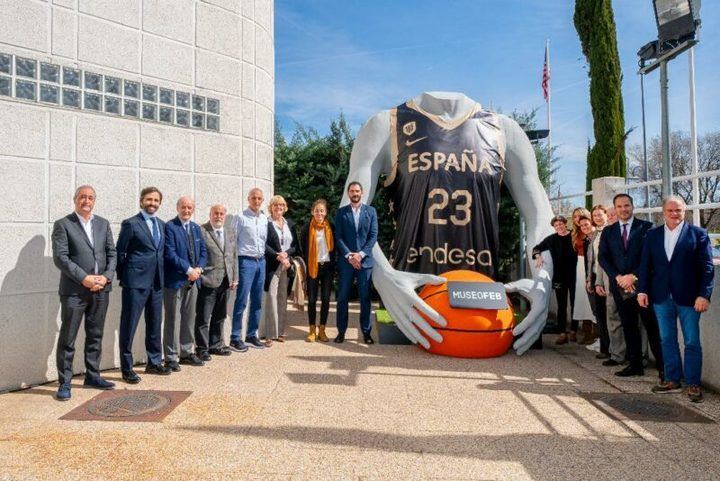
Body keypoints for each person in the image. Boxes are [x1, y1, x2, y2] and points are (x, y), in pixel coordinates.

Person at [336, 92, 554, 354]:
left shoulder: (503, 129)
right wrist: (382, 275)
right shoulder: (387, 124)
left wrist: (543, 279)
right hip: (413, 290)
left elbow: (541, 216)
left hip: (480, 294)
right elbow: (349, 213)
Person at [638, 196, 714, 402]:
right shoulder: (652, 235)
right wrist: (642, 291)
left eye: (678, 210)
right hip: (661, 297)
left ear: (684, 211)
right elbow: (644, 265)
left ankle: (693, 384)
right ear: (663, 212)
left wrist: (704, 295)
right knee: (666, 339)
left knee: (692, 341)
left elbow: (707, 269)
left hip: (690, 298)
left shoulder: (698, 234)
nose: (674, 214)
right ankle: (672, 379)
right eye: (670, 210)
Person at [51, 185, 117, 400]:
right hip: (74, 291)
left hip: (101, 289)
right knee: (68, 338)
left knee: (95, 335)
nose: (86, 201)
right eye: (82, 197)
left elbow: (111, 253)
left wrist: (105, 277)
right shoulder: (63, 225)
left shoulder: (103, 224)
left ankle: (92, 375)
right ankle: (65, 383)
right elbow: (61, 258)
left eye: (90, 197)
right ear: (75, 200)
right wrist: (84, 278)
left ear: (94, 201)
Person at [599, 193, 663, 379]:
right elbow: (603, 258)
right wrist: (618, 277)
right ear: (615, 209)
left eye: (626, 205)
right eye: (619, 206)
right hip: (619, 287)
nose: (623, 209)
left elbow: (651, 257)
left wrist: (633, 276)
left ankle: (663, 369)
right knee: (629, 326)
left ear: (633, 206)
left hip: (642, 287)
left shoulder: (647, 228)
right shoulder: (608, 231)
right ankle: (635, 366)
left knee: (652, 327)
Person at [117, 186, 170, 383]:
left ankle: (154, 362)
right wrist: (126, 277)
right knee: (129, 325)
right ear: (141, 201)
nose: (152, 204)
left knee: (155, 324)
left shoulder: (162, 225)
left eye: (156, 201)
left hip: (156, 282)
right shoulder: (131, 224)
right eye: (149, 200)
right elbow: (120, 253)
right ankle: (127, 367)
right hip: (135, 283)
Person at [163, 196, 208, 369]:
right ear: (177, 208)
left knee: (189, 318)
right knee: (172, 319)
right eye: (183, 207)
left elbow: (203, 252)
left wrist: (199, 269)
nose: (186, 210)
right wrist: (189, 270)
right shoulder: (170, 227)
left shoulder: (196, 229)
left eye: (189, 207)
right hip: (175, 280)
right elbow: (170, 253)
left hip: (193, 280)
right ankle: (171, 356)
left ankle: (187, 352)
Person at [334, 181, 378, 344]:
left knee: (365, 298)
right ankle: (341, 332)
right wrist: (349, 256)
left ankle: (366, 333)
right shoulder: (341, 213)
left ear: (362, 192)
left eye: (357, 191)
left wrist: (359, 255)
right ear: (348, 193)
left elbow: (373, 236)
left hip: (365, 263)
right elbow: (338, 237)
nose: (355, 193)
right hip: (346, 263)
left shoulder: (371, 212)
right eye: (352, 191)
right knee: (342, 298)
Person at [195, 204, 239, 358]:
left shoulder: (230, 231)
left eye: (221, 214)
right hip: (208, 280)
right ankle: (201, 348)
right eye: (215, 213)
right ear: (210, 214)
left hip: (226, 281)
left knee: (220, 316)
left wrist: (234, 277)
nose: (218, 216)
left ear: (224, 216)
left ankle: (215, 345)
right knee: (203, 317)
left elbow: (234, 256)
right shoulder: (202, 231)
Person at [230, 187, 269, 350]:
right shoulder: (240, 217)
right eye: (254, 198)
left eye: (259, 198)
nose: (257, 201)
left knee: (257, 300)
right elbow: (232, 243)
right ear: (248, 199)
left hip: (261, 261)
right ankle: (235, 336)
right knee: (242, 300)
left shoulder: (264, 219)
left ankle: (252, 334)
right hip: (245, 262)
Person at [532, 216, 577, 345]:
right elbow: (536, 248)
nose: (559, 227)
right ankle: (562, 333)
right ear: (554, 227)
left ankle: (573, 330)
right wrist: (538, 257)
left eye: (561, 224)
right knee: (561, 305)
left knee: (575, 303)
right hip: (559, 276)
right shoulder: (552, 239)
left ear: (565, 224)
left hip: (575, 276)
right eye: (556, 225)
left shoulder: (574, 236)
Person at [263, 195, 299, 345]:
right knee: (271, 296)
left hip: (286, 264)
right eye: (276, 205)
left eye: (281, 205)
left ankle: (281, 332)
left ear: (285, 207)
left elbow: (295, 245)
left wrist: (287, 255)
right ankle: (270, 334)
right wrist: (277, 255)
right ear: (271, 207)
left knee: (283, 298)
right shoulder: (266, 223)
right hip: (273, 264)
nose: (279, 208)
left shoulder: (289, 223)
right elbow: (263, 244)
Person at [594, 206, 627, 367]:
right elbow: (601, 261)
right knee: (613, 318)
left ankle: (639, 356)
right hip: (609, 283)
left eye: (615, 214)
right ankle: (617, 354)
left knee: (636, 322)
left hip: (630, 283)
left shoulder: (630, 231)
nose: (613, 216)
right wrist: (598, 281)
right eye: (611, 214)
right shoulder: (606, 234)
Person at [299, 199, 335, 342]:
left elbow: (335, 248)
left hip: (327, 267)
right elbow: (302, 248)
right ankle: (312, 330)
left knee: (326, 299)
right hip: (313, 267)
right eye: (316, 210)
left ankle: (322, 330)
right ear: (312, 212)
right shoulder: (306, 228)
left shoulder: (331, 227)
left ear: (326, 212)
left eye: (322, 210)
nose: (319, 213)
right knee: (312, 299)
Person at [585, 205, 611, 359]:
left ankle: (614, 350)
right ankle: (604, 348)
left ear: (606, 215)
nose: (597, 218)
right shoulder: (594, 235)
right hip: (595, 277)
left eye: (600, 215)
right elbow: (591, 259)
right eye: (595, 216)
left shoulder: (611, 232)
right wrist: (589, 279)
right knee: (600, 314)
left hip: (608, 278)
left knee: (611, 315)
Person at [571, 207, 596, 345]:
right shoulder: (575, 233)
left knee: (591, 298)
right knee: (582, 299)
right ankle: (587, 332)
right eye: (574, 217)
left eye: (579, 216)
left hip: (590, 264)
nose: (577, 219)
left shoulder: (592, 230)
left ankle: (596, 333)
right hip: (579, 266)